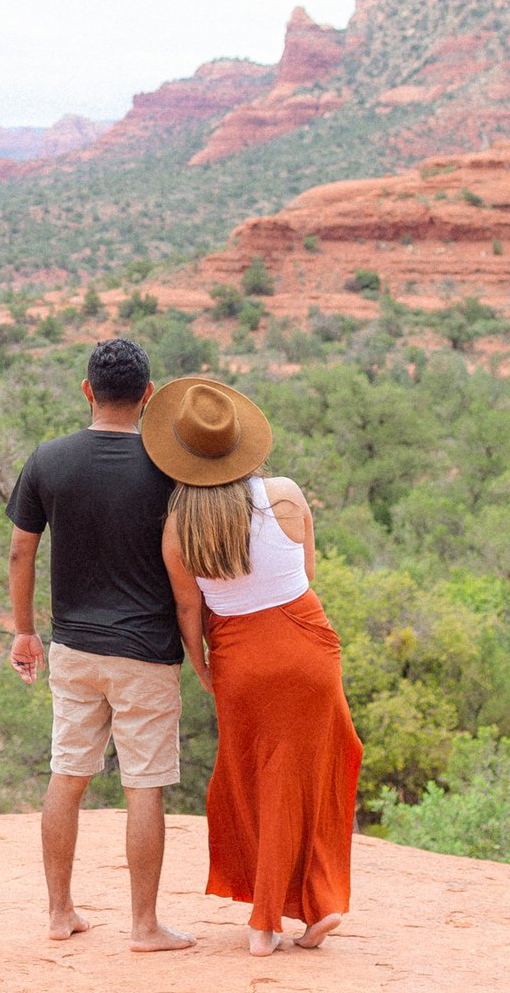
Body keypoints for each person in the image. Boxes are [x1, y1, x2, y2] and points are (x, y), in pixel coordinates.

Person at [146, 375, 361, 957]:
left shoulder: (177, 528)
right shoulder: (285, 494)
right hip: (308, 645)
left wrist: (205, 670)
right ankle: (318, 902)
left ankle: (264, 923)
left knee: (256, 778)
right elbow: (307, 573)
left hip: (240, 657)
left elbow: (189, 612)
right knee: (317, 768)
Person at [6, 336, 196, 952]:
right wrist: (202, 650)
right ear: (146, 397)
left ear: (88, 390)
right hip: (146, 651)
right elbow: (186, 572)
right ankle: (144, 926)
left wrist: (24, 631)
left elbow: (20, 551)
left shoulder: (48, 459)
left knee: (68, 776)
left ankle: (60, 913)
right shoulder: (170, 470)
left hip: (74, 649)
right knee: (145, 786)